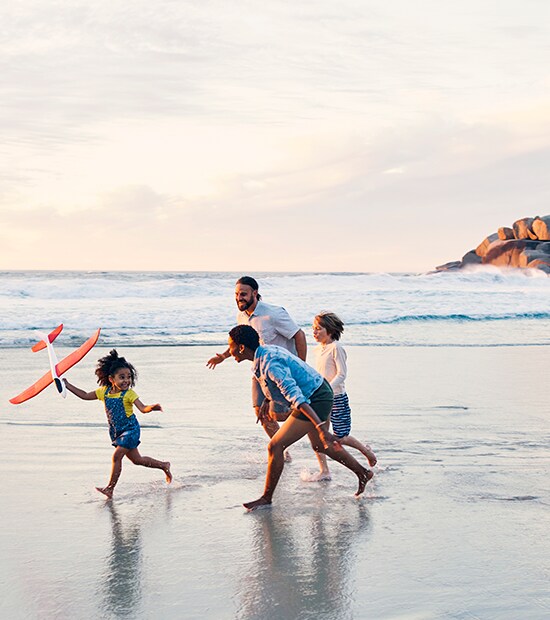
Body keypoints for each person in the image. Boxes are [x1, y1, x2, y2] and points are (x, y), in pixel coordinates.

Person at [227, 324, 373, 511]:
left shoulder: (270, 363)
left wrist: (320, 427)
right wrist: (266, 400)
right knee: (320, 446)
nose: (229, 351)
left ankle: (266, 498)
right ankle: (363, 473)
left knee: (275, 445)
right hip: (317, 392)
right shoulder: (262, 356)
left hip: (316, 397)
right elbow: (271, 383)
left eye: (230, 346)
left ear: (241, 347)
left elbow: (297, 398)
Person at [207, 276, 307, 441]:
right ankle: (280, 449)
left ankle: (310, 415)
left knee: (278, 415)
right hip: (259, 371)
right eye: (237, 294)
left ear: (255, 293)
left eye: (244, 294)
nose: (239, 298)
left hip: (281, 371)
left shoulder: (273, 314)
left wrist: (300, 366)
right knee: (260, 412)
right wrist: (224, 356)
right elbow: (240, 340)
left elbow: (299, 335)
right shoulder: (242, 316)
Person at [64, 349, 172, 498]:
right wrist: (67, 386)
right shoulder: (104, 392)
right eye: (122, 377)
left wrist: (151, 408)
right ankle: (164, 465)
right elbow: (84, 395)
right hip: (117, 432)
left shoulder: (129, 394)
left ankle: (110, 488)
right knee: (137, 460)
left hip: (131, 430)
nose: (126, 380)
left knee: (116, 456)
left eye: (129, 377)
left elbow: (142, 408)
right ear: (111, 379)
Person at [311, 312, 377, 481]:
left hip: (336, 397)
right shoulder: (318, 349)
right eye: (313, 329)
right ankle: (324, 471)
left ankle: (366, 451)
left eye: (319, 329)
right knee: (319, 435)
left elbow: (341, 374)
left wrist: (326, 389)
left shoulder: (336, 348)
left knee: (341, 437)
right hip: (321, 398)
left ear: (330, 331)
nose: (314, 332)